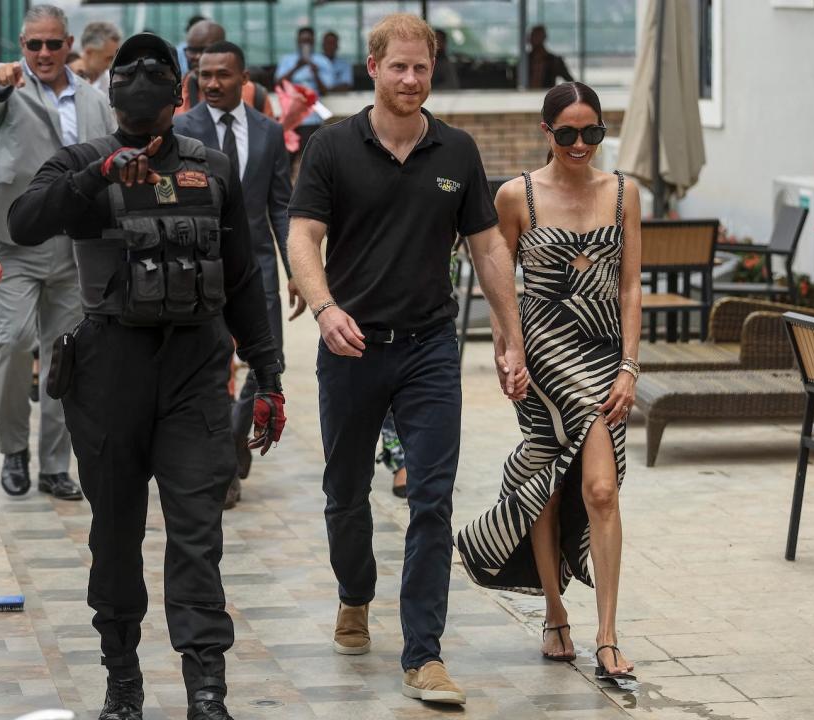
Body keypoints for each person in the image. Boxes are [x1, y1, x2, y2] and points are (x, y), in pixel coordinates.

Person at [7, 32, 285, 720]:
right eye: (124, 73)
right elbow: (24, 221)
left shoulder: (212, 169)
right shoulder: (83, 161)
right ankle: (122, 681)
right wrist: (100, 175)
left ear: (178, 91)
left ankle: (207, 689)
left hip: (195, 370)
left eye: (153, 73)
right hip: (108, 371)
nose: (137, 83)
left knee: (197, 533)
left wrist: (270, 377)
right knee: (116, 534)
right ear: (109, 94)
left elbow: (244, 279)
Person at [287, 12, 527, 706]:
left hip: (428, 348)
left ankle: (424, 654)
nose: (411, 80)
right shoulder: (333, 147)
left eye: (421, 68)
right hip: (352, 346)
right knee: (344, 491)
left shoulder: (457, 151)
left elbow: (487, 248)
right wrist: (326, 308)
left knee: (431, 498)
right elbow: (303, 236)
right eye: (399, 67)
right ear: (374, 68)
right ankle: (355, 593)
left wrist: (509, 337)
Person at [455, 81, 642, 681]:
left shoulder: (623, 194)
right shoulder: (517, 196)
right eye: (568, 134)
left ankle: (607, 633)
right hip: (545, 355)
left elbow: (631, 286)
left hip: (605, 351)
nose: (581, 144)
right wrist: (508, 353)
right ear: (547, 133)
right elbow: (497, 279)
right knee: (562, 481)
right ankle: (557, 612)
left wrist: (631, 365)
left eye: (592, 133)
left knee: (593, 488)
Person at [0, 3, 115, 501]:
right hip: (12, 243)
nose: (42, 53)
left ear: (69, 44)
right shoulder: (5, 85)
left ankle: (56, 464)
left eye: (52, 43)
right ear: (21, 46)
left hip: (75, 246)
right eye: (32, 44)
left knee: (66, 358)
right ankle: (14, 450)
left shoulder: (94, 100)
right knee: (10, 342)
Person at [174, 40, 303, 508]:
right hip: (198, 267)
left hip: (258, 268)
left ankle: (231, 439)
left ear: (244, 78)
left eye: (222, 74)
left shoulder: (269, 133)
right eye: (203, 75)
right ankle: (221, 461)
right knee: (207, 365)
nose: (211, 83)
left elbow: (281, 208)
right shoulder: (180, 129)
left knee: (270, 363)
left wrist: (297, 271)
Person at [177, 20, 274, 118]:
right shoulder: (176, 93)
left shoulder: (256, 95)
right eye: (191, 50)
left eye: (205, 50)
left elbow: (268, 131)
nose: (197, 56)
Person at [275, 26, 332, 154]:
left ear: (313, 41)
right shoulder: (287, 60)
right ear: (297, 41)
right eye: (303, 40)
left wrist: (316, 73)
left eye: (308, 40)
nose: (305, 43)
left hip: (312, 117)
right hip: (290, 117)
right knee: (288, 157)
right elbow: (278, 83)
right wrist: (296, 67)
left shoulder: (322, 61)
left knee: (310, 156)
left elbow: (325, 90)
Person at [78, 21, 121, 95]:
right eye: (108, 58)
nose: (110, 64)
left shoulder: (113, 84)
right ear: (89, 52)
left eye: (114, 58)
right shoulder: (66, 81)